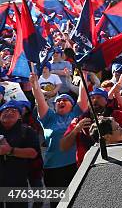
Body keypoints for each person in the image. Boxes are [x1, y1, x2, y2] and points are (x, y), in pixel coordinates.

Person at [31, 72, 87, 208]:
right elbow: (40, 100)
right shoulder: (49, 117)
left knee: (78, 201)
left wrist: (84, 75)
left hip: (76, 165)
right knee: (58, 204)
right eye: (58, 101)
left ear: (72, 105)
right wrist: (35, 84)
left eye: (65, 100)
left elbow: (83, 97)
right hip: (53, 169)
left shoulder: (76, 114)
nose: (61, 102)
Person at [60, 88, 122, 166]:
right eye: (91, 98)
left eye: (99, 97)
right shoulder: (79, 120)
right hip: (87, 165)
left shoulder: (117, 115)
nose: (94, 100)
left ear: (106, 101)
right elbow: (63, 147)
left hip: (116, 160)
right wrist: (76, 129)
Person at [0, 101, 40, 206]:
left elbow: (33, 153)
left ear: (19, 116)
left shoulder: (27, 131)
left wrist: (10, 150)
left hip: (17, 181)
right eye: (5, 110)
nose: (9, 112)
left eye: (14, 110)